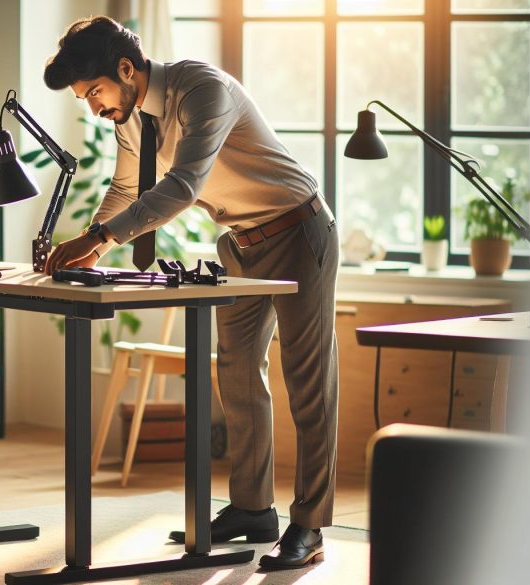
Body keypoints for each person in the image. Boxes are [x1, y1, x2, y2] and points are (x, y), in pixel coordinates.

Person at [42, 16, 339, 570]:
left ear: (126, 70)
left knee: (308, 380)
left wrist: (100, 236)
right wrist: (92, 247)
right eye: (85, 99)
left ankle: (311, 525)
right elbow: (127, 188)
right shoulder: (129, 118)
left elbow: (182, 187)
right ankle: (253, 509)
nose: (94, 108)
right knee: (236, 372)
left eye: (96, 92)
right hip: (240, 243)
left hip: (299, 230)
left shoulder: (204, 91)